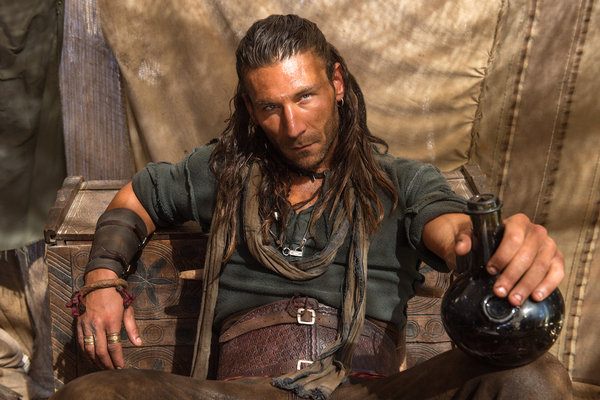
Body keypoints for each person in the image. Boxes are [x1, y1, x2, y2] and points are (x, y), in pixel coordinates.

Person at [51, 14, 571, 400]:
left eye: (305, 97)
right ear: (251, 110)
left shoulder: (400, 181)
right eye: (271, 107)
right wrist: (102, 279)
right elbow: (138, 196)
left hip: (364, 389)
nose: (293, 126)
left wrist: (492, 248)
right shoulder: (224, 172)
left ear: (337, 84)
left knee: (535, 377)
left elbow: (452, 229)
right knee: (92, 395)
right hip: (243, 390)